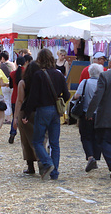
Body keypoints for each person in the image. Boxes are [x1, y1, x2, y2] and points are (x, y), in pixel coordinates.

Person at [22, 49, 70, 180]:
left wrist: (26, 113)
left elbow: (33, 97)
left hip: (42, 109)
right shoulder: (59, 74)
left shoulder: (38, 75)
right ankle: (55, 173)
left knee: (37, 141)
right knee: (54, 143)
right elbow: (67, 95)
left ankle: (48, 163)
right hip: (55, 111)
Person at [74, 63, 103, 172]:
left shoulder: (85, 82)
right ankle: (95, 157)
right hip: (99, 115)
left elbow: (77, 95)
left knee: (86, 136)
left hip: (86, 114)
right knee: (97, 137)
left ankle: (90, 156)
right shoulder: (102, 83)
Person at [14, 61, 41, 174]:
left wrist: (15, 117)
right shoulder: (41, 82)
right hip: (38, 111)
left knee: (25, 140)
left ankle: (30, 166)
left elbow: (20, 100)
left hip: (25, 112)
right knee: (39, 139)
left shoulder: (23, 83)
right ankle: (42, 163)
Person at [8, 56, 28, 143]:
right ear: (25, 63)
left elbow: (11, 86)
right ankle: (25, 135)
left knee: (15, 117)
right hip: (24, 98)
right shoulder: (27, 73)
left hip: (14, 98)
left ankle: (13, 132)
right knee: (25, 117)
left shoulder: (12, 74)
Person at [0, 51, 15, 124]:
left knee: (6, 101)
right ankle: (12, 117)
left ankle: (8, 118)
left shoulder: (1, 66)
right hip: (13, 84)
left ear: (2, 58)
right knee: (11, 101)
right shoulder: (12, 64)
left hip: (5, 84)